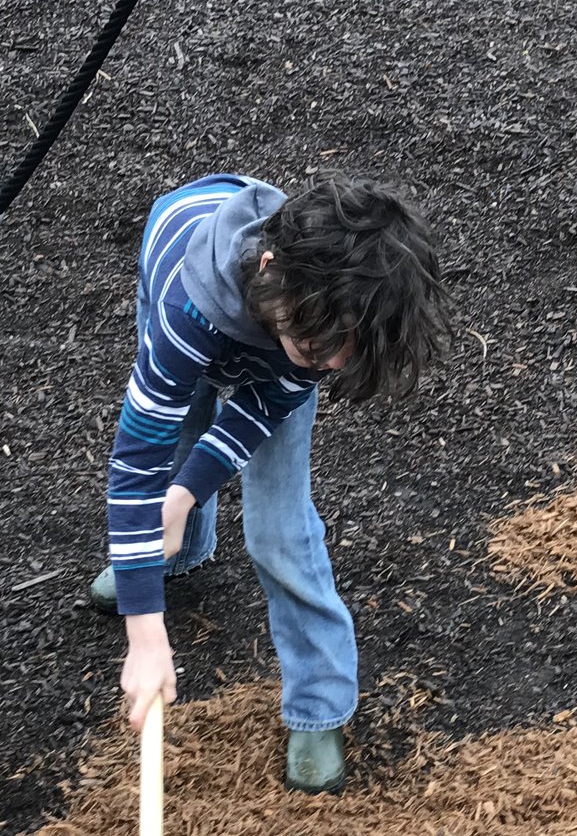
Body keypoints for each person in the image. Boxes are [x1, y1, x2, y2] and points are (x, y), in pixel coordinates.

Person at [89, 172, 451, 791]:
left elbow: (260, 409)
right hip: (187, 284)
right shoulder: (189, 313)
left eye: (349, 351)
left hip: (273, 326)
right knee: (178, 434)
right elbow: (136, 462)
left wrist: (185, 493)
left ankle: (319, 703)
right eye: (326, 346)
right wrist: (145, 634)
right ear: (268, 267)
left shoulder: (329, 319)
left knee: (279, 529)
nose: (336, 363)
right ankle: (176, 553)